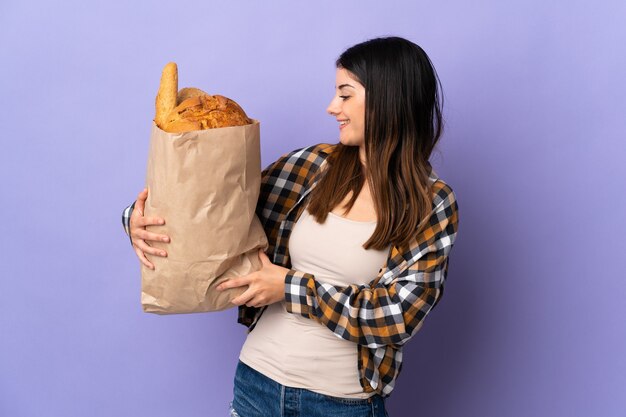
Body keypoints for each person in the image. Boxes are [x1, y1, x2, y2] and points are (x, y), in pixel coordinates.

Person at [122, 36, 459, 417]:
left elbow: (396, 316)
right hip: (256, 386)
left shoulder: (431, 203)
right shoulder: (312, 167)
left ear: (388, 99)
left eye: (345, 95)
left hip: (340, 405)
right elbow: (210, 210)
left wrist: (289, 287)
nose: (333, 108)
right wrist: (134, 220)